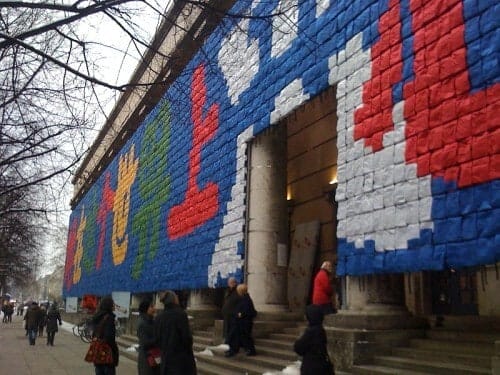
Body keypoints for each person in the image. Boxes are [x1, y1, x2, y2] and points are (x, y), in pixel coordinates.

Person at [154, 290, 196, 375]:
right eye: (176, 297)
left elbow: (157, 339)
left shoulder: (159, 317)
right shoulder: (181, 315)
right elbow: (186, 338)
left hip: (166, 359)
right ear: (174, 300)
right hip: (180, 361)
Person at [294, 304, 334, 375]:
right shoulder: (320, 330)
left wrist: (298, 341)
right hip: (321, 366)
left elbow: (299, 348)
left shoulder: (311, 332)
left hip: (311, 367)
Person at [225, 283, 257, 357]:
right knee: (236, 337)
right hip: (240, 322)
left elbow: (249, 311)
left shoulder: (246, 299)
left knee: (245, 337)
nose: (238, 292)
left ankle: (250, 350)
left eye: (238, 291)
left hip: (244, 322)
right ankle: (234, 350)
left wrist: (241, 314)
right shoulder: (243, 298)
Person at [91, 296, 119, 375]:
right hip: (107, 353)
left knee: (99, 370)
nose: (114, 306)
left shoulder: (97, 316)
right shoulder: (109, 318)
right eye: (113, 304)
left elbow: (94, 333)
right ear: (109, 305)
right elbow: (109, 337)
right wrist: (114, 351)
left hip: (97, 349)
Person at [136, 299, 159, 375]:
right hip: (147, 358)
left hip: (153, 355)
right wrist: (159, 339)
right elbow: (145, 342)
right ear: (146, 309)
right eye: (151, 307)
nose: (154, 309)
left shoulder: (150, 320)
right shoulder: (143, 323)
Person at [221, 277, 240, 344]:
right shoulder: (228, 291)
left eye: (231, 283)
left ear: (235, 283)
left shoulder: (238, 291)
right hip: (227, 314)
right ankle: (227, 341)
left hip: (233, 315)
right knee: (227, 329)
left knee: (231, 330)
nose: (230, 284)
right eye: (229, 283)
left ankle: (230, 343)